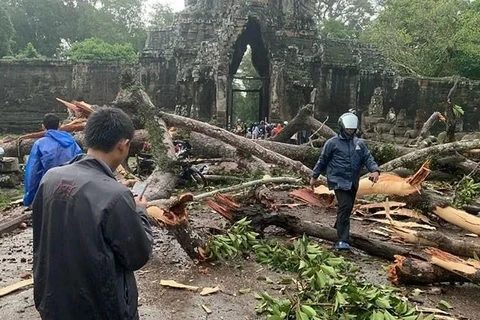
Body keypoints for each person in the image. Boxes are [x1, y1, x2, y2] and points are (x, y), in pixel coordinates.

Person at [32, 107, 153, 320]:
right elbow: (137, 256)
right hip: (100, 309)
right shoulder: (116, 195)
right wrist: (140, 212)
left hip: (53, 303)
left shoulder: (50, 179)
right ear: (123, 146)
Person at [309, 112, 380, 250]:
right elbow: (322, 161)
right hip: (338, 180)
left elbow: (368, 158)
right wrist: (314, 176)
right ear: (342, 127)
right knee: (345, 207)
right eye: (348, 130)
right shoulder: (332, 143)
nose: (350, 132)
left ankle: (338, 225)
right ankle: (342, 239)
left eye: (352, 130)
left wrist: (375, 170)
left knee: (347, 208)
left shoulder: (359, 143)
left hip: (353, 181)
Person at [23, 113, 83, 207]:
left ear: (43, 126)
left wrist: (29, 198)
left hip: (49, 190)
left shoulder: (40, 144)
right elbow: (81, 164)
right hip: (71, 189)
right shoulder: (72, 142)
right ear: (59, 125)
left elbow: (33, 172)